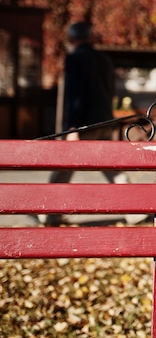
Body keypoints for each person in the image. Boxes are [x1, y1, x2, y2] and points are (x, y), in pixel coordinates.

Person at [39, 22, 143, 226]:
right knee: (111, 167)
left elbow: (75, 96)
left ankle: (49, 215)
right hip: (104, 120)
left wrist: (72, 127)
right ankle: (135, 212)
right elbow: (110, 90)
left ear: (71, 39)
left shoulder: (75, 59)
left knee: (62, 168)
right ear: (91, 37)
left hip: (83, 124)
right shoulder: (104, 60)